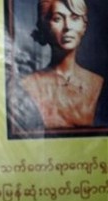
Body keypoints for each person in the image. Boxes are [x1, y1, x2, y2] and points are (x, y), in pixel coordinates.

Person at [9, 0, 105, 134]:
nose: (67, 26)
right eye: (57, 18)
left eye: (75, 18)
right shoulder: (27, 84)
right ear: (44, 27)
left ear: (84, 26)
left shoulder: (98, 83)